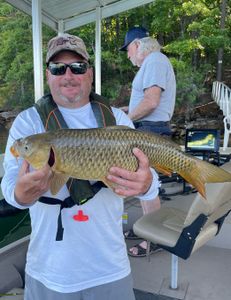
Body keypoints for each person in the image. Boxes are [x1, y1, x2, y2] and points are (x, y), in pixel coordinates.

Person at [1, 33, 160, 300]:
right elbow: (9, 188)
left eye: (77, 67)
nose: (68, 75)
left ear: (89, 73)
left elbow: (150, 177)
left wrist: (145, 185)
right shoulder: (28, 124)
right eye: (57, 68)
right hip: (48, 270)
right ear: (48, 75)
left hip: (110, 268)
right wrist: (19, 195)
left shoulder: (117, 119)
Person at [120, 26, 176, 257]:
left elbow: (152, 102)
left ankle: (153, 239)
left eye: (128, 49)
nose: (128, 55)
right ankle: (146, 230)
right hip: (149, 129)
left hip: (150, 131)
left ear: (138, 45)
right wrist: (126, 110)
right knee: (144, 186)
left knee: (148, 187)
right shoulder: (155, 62)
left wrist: (125, 121)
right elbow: (148, 102)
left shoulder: (153, 60)